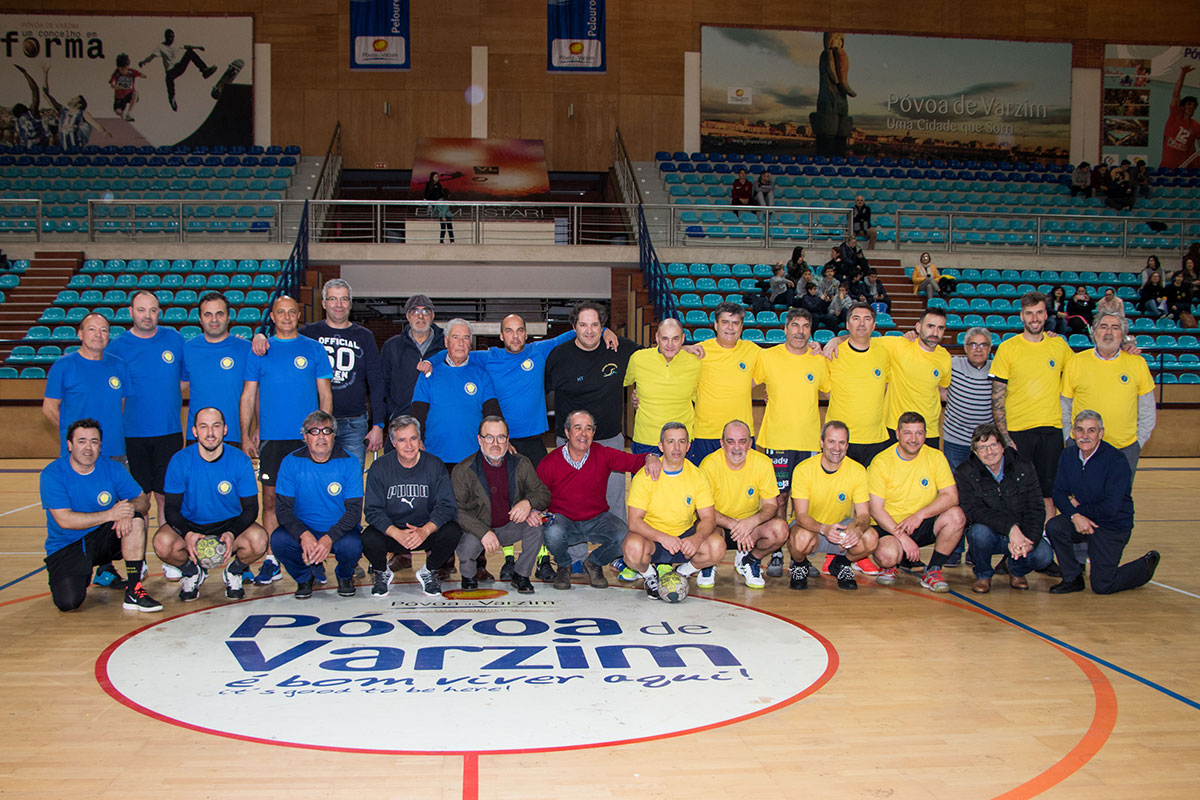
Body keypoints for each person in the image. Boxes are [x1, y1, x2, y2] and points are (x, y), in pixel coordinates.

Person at [240, 296, 333, 584]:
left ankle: (313, 557)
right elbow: (249, 395)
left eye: (292, 312)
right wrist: (246, 433)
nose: (287, 317)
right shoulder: (260, 349)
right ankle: (272, 558)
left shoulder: (313, 349)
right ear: (272, 316)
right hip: (272, 439)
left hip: (305, 440)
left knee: (308, 500)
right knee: (270, 500)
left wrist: (323, 433)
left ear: (298, 315)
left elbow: (325, 394)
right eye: (281, 312)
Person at [251, 279, 386, 468]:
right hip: (315, 426)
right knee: (315, 480)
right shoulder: (308, 334)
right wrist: (260, 335)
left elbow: (376, 382)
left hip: (353, 423)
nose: (339, 305)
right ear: (324, 304)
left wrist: (378, 424)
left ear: (350, 303)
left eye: (344, 299)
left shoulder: (365, 336)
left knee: (351, 482)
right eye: (333, 299)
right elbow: (283, 334)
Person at [39, 419, 161, 613]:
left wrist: (128, 509)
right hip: (67, 545)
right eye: (82, 441)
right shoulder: (53, 474)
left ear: (100, 446)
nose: (88, 447)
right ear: (69, 445)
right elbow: (65, 520)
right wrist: (111, 514)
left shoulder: (112, 468)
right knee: (68, 603)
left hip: (104, 537)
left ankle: (134, 590)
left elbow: (142, 500)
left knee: (136, 518)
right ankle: (83, 572)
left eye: (94, 442)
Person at [537, 409, 662, 589]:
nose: (583, 434)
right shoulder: (550, 462)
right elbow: (538, 495)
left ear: (593, 433)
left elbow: (634, 461)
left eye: (588, 429)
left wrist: (651, 457)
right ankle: (564, 566)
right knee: (552, 532)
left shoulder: (603, 454)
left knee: (624, 537)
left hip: (597, 519)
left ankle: (594, 563)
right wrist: (539, 514)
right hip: (564, 521)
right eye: (577, 428)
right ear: (567, 432)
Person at [152, 407, 267, 602]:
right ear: (195, 431)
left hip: (228, 524)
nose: (210, 433)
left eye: (216, 426)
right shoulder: (180, 461)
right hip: (191, 525)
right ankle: (192, 572)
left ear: (225, 429)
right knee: (162, 543)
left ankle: (235, 571)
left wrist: (232, 532)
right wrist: (186, 533)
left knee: (259, 540)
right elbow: (171, 508)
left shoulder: (239, 460)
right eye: (203, 427)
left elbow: (251, 508)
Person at [1046, 410, 1159, 595]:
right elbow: (1058, 492)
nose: (1084, 436)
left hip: (1111, 525)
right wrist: (1075, 516)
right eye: (1080, 430)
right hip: (1083, 518)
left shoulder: (1116, 460)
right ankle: (1072, 578)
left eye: (1091, 430)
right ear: (1073, 432)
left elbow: (1111, 507)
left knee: (1103, 585)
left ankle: (1144, 566)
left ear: (1101, 433)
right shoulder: (1068, 455)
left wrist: (1080, 510)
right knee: (1055, 527)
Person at [545, 301, 640, 514]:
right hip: (570, 443)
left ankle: (615, 547)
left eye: (595, 325)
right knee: (571, 502)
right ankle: (575, 548)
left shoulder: (619, 348)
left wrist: (686, 349)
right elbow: (538, 390)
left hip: (609, 440)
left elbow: (654, 359)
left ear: (602, 327)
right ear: (574, 328)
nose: (589, 331)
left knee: (614, 503)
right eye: (583, 325)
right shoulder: (558, 357)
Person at [989, 291, 1076, 521]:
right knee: (1018, 494)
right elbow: (997, 398)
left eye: (1039, 312)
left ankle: (1045, 548)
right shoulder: (1008, 348)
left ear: (1046, 314)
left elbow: (1083, 372)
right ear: (1021, 316)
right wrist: (1005, 438)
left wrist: (1125, 350)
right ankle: (1019, 550)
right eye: (1029, 313)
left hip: (1051, 430)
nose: (1035, 318)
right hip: (1019, 431)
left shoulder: (1059, 346)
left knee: (1049, 495)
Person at [106, 290, 185, 527]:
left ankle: (167, 557)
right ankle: (137, 560)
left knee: (165, 496)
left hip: (168, 432)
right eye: (141, 310)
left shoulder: (175, 340)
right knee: (138, 499)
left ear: (159, 312)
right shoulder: (116, 347)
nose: (147, 316)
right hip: (131, 435)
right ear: (131, 312)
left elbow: (185, 379)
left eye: (152, 310)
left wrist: (163, 396)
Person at [362, 416, 463, 597]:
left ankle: (429, 570)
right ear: (393, 442)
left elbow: (447, 506)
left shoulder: (434, 465)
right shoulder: (379, 467)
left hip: (424, 531)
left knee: (453, 530)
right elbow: (372, 510)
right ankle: (381, 572)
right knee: (368, 537)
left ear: (420, 439)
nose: (409, 445)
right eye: (402, 440)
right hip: (394, 532)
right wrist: (395, 532)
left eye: (413, 438)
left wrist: (425, 530)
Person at [866, 411, 966, 592]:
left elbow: (951, 496)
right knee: (887, 555)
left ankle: (934, 570)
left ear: (925, 435)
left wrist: (920, 515)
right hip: (890, 526)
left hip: (921, 523)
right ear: (897, 434)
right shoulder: (881, 462)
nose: (914, 439)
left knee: (956, 516)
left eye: (919, 433)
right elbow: (875, 509)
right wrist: (902, 537)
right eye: (908, 433)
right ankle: (890, 565)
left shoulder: (936, 457)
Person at [271, 410, 365, 599]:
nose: (321, 437)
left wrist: (329, 538)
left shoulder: (350, 462)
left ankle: (345, 576)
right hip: (304, 529)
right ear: (305, 437)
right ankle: (304, 577)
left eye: (327, 431)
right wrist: (303, 534)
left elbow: (354, 511)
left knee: (354, 545)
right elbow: (283, 510)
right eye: (314, 431)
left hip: (339, 531)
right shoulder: (290, 462)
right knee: (278, 541)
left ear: (334, 436)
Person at [623, 423, 723, 598]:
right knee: (632, 549)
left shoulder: (698, 476)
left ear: (688, 446)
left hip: (684, 537)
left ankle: (682, 573)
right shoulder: (644, 476)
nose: (676, 447)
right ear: (661, 446)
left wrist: (696, 539)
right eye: (671, 441)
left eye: (681, 441)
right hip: (653, 539)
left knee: (716, 546)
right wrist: (663, 538)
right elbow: (634, 521)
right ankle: (649, 575)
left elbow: (708, 518)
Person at [451, 416, 548, 594]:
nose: (495, 443)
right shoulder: (463, 470)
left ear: (508, 439)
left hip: (509, 525)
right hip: (479, 528)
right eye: (489, 437)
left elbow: (542, 493)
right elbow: (456, 510)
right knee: (467, 550)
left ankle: (521, 574)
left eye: (501, 437)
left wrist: (529, 504)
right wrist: (483, 532)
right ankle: (469, 575)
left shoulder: (521, 463)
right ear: (479, 440)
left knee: (536, 527)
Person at [956, 424, 1054, 594]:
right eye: (982, 448)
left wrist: (1028, 540)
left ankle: (1016, 569)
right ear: (975, 452)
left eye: (993, 445)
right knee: (978, 533)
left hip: (1021, 533)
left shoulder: (1023, 467)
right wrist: (1010, 528)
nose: (989, 452)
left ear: (1002, 447)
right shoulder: (965, 472)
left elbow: (1036, 508)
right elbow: (974, 511)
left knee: (1044, 555)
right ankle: (983, 574)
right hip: (990, 533)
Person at [1060, 309, 1155, 475]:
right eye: (1103, 326)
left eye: (1115, 328)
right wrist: (1069, 439)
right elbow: (1064, 406)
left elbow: (1147, 408)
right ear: (1094, 332)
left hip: (1125, 448)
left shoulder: (1137, 363)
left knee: (1119, 500)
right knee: (1082, 499)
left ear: (1123, 334)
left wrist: (1138, 442)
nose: (1109, 332)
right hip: (1083, 446)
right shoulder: (1075, 362)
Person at [788, 420, 879, 591]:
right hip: (811, 528)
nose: (836, 448)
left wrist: (857, 530)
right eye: (831, 441)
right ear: (821, 443)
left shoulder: (858, 471)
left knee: (871, 538)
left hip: (840, 529)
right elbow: (801, 516)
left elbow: (864, 515)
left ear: (847, 445)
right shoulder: (803, 470)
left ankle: (841, 564)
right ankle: (799, 565)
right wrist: (824, 529)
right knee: (800, 539)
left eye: (842, 442)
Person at [699, 420, 788, 589]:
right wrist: (734, 525)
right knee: (704, 527)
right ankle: (708, 563)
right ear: (722, 444)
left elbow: (771, 505)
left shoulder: (762, 463)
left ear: (750, 444)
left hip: (750, 530)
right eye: (730, 441)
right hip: (719, 527)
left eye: (742, 441)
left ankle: (750, 561)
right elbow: (704, 510)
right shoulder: (709, 465)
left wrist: (751, 522)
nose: (737, 447)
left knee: (780, 529)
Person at [410, 318, 501, 468]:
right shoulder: (428, 375)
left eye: (466, 338)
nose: (461, 343)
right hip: (435, 458)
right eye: (455, 337)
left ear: (470, 343)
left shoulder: (482, 375)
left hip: (473, 459)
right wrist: (416, 439)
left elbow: (493, 414)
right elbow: (417, 413)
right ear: (446, 342)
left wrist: (502, 439)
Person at [43, 313, 130, 462]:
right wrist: (77, 436)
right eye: (92, 329)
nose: (98, 334)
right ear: (80, 334)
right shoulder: (63, 366)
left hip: (114, 450)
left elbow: (121, 406)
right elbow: (49, 409)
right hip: (78, 454)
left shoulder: (119, 365)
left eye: (103, 330)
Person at [690, 302, 760, 465]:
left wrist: (811, 346)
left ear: (741, 326)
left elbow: (783, 358)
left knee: (742, 486)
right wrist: (684, 348)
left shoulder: (753, 351)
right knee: (704, 488)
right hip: (706, 434)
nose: (730, 328)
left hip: (741, 436)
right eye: (725, 322)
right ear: (716, 324)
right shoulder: (700, 351)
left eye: (735, 323)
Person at [873, 308, 952, 448]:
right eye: (930, 326)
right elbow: (861, 339)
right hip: (896, 427)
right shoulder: (899, 346)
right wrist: (836, 340)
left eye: (940, 328)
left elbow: (941, 388)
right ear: (918, 327)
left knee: (926, 470)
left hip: (929, 430)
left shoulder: (945, 357)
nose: (935, 333)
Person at [824, 303, 891, 468]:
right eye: (856, 318)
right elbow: (824, 389)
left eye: (867, 319)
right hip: (840, 440)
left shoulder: (884, 351)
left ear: (874, 325)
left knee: (871, 492)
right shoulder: (832, 353)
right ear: (847, 324)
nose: (861, 323)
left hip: (875, 438)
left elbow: (886, 385)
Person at [182, 293, 253, 448]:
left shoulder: (246, 349)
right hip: (197, 437)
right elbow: (177, 385)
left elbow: (257, 393)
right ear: (200, 319)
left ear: (228, 317)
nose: (214, 320)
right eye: (208, 314)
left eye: (219, 314)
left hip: (233, 434)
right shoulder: (187, 348)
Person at [623, 318, 701, 455]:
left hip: (681, 441)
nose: (670, 344)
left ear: (683, 338)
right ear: (657, 338)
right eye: (665, 338)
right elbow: (617, 383)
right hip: (646, 439)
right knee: (644, 477)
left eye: (675, 339)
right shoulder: (638, 359)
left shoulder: (695, 363)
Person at [381, 294, 446, 437]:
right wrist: (392, 413)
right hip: (401, 422)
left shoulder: (445, 346)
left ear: (432, 315)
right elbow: (382, 385)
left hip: (436, 422)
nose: (421, 317)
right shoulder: (392, 346)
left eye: (425, 312)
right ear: (408, 316)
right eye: (415, 312)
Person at [942, 327, 994, 470]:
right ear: (965, 348)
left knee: (984, 485)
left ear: (989, 349)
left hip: (985, 442)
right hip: (955, 440)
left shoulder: (997, 369)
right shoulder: (953, 364)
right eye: (973, 345)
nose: (978, 349)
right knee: (957, 484)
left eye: (983, 345)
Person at [139, 28, 217, 112]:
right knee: (169, 78)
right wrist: (144, 62)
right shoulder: (160, 47)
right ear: (165, 37)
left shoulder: (176, 43)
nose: (171, 39)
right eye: (169, 37)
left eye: (172, 37)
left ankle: (204, 70)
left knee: (189, 52)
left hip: (178, 67)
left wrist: (198, 47)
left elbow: (187, 46)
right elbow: (151, 57)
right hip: (170, 71)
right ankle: (172, 99)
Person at [37, 64, 109, 151]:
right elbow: (46, 95)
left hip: (77, 151)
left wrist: (103, 132)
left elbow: (95, 124)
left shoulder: (83, 113)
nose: (71, 98)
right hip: (64, 151)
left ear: (79, 104)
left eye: (75, 98)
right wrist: (45, 74)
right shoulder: (63, 111)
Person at [811, 32, 855, 157]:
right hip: (829, 93)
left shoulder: (840, 55)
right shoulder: (826, 55)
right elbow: (834, 76)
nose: (837, 42)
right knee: (829, 122)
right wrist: (840, 81)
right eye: (834, 39)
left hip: (840, 94)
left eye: (840, 40)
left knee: (841, 120)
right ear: (828, 41)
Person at [1160, 64, 1199, 169]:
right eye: (1189, 104)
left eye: (1194, 106)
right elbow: (1176, 94)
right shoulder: (1175, 115)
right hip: (1166, 166)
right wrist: (1183, 74)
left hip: (1184, 168)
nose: (1191, 107)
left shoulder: (1196, 126)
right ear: (1182, 106)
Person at [109, 53, 144, 122]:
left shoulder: (131, 72)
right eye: (122, 69)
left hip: (129, 94)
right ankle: (123, 114)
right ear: (118, 68)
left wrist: (142, 75)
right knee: (118, 111)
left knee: (135, 93)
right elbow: (112, 84)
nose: (124, 71)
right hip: (119, 98)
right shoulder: (116, 74)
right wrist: (119, 87)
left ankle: (129, 113)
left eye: (126, 69)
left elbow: (141, 74)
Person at [424, 171, 454, 243]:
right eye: (435, 177)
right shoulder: (428, 184)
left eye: (438, 177)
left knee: (449, 227)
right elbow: (426, 194)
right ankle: (442, 241)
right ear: (432, 177)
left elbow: (444, 207)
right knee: (443, 228)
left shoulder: (439, 185)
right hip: (435, 204)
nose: (437, 178)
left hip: (441, 207)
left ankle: (451, 241)